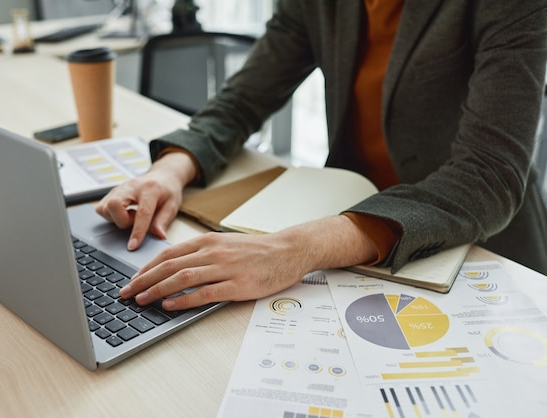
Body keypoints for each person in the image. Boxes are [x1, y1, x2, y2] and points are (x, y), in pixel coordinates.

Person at [96, 0, 547, 311]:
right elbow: (244, 100)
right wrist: (170, 169)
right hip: (351, 242)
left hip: (477, 250)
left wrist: (292, 249)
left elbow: (490, 172)